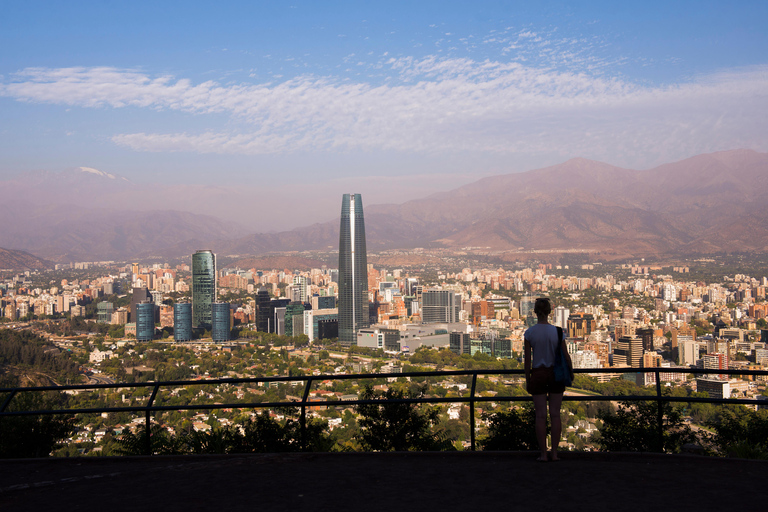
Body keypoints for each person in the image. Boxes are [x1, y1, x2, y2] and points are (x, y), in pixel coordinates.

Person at [524, 297, 573, 462]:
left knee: (540, 416)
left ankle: (543, 454)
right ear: (550, 312)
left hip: (538, 374)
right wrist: (570, 372)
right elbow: (566, 356)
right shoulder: (558, 332)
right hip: (556, 374)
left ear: (535, 312)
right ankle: (555, 454)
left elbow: (527, 360)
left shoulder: (530, 333)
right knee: (555, 415)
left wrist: (528, 379)